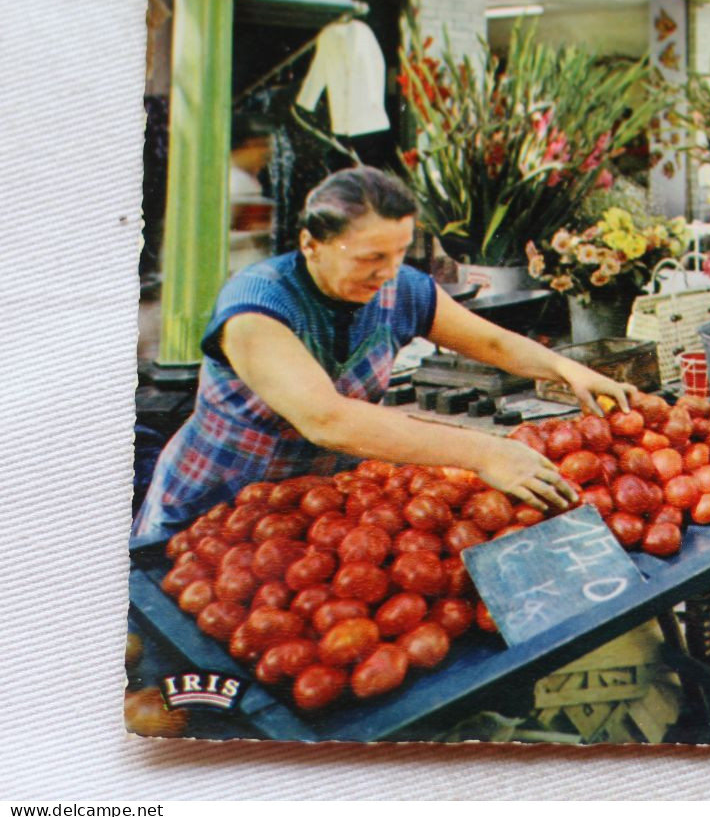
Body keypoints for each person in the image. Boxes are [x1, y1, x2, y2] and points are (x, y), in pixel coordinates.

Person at [132, 166, 635, 544]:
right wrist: (486, 452)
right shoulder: (257, 306)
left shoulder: (402, 291)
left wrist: (566, 369)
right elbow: (327, 420)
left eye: (399, 254)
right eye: (372, 257)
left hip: (316, 513)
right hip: (209, 508)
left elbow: (493, 343)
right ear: (311, 244)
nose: (388, 274)